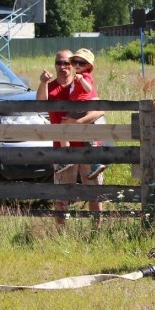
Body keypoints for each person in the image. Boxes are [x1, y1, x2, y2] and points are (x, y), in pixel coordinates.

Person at [37, 49, 106, 218]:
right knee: (61, 195)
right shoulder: (51, 87)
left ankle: (97, 230)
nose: (63, 66)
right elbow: (39, 103)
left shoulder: (81, 83)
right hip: (62, 148)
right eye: (58, 63)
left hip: (86, 146)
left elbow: (100, 110)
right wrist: (43, 83)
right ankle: (61, 234)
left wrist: (78, 122)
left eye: (67, 63)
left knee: (94, 192)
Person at [69, 48, 106, 181]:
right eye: (75, 62)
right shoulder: (78, 76)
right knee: (82, 133)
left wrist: (81, 80)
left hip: (82, 106)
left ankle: (96, 163)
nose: (77, 65)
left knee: (87, 135)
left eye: (81, 63)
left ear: (88, 66)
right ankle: (67, 156)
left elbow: (88, 88)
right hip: (78, 105)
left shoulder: (85, 76)